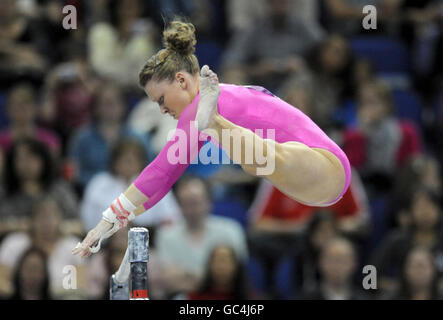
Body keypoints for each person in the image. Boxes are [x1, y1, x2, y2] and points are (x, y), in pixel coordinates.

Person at [73, 19, 351, 258]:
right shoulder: (213, 101)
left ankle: (215, 123)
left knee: (261, 158)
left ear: (182, 81)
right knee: (253, 163)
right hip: (309, 182)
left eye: (161, 99)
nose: (162, 109)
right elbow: (163, 180)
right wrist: (113, 222)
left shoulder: (199, 107)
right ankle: (216, 124)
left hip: (323, 165)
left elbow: (158, 169)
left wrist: (108, 217)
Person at [154, 175, 248, 297]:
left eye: (195, 203)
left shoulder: (231, 230)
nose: (190, 209)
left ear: (209, 202)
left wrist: (186, 274)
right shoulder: (166, 234)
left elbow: (238, 276)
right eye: (185, 203)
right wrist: (212, 279)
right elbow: (168, 279)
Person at [188, 245, 254, 300]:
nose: (222, 267)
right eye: (218, 261)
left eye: (226, 261)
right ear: (209, 265)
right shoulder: (193, 297)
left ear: (236, 266)